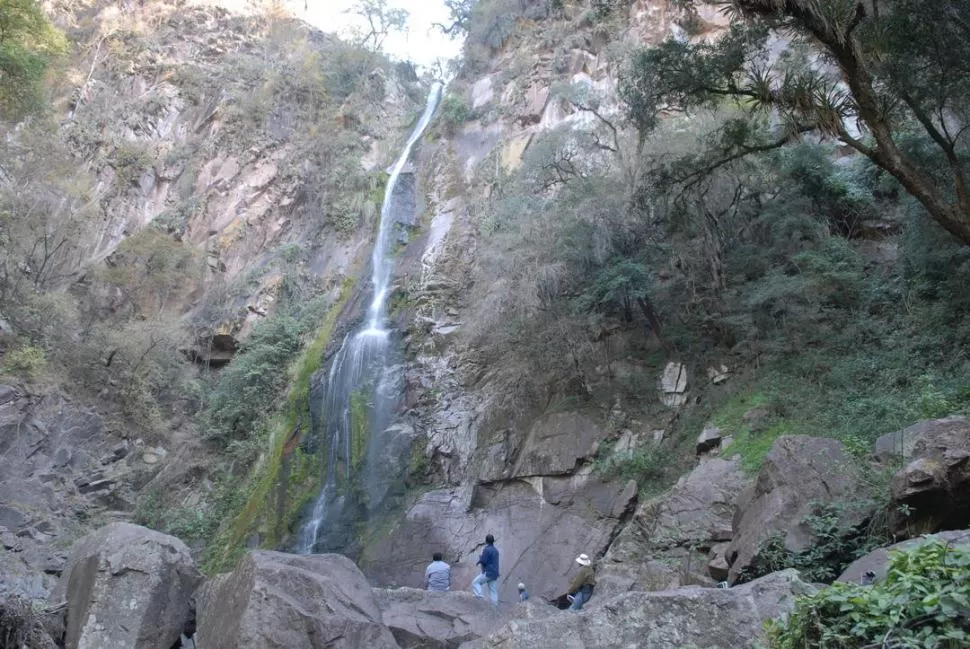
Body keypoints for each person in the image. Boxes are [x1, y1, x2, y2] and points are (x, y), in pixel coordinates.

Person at [472, 534, 500, 605]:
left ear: (486, 541)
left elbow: (484, 561)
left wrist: (480, 559)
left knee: (475, 583)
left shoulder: (486, 549)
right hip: (495, 573)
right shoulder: (496, 551)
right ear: (493, 541)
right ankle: (494, 607)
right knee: (493, 590)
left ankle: (480, 599)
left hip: (488, 572)